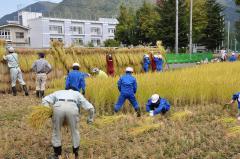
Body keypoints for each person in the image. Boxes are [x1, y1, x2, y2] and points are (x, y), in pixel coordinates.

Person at [42, 89, 95, 159]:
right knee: (75, 131)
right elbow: (91, 108)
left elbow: (44, 100)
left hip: (58, 107)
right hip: (72, 108)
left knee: (56, 131)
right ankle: (75, 154)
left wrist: (48, 112)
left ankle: (57, 154)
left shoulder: (58, 92)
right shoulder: (77, 93)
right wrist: (90, 119)